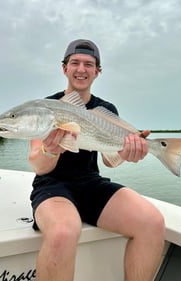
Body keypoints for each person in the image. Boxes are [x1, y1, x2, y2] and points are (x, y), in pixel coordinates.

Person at [29, 39, 165, 281]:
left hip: (91, 184)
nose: (81, 69)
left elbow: (111, 161)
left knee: (152, 222)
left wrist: (126, 153)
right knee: (63, 231)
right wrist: (51, 150)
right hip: (52, 186)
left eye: (88, 64)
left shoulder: (105, 108)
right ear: (64, 68)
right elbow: (39, 166)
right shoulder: (46, 107)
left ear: (97, 71)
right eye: (75, 63)